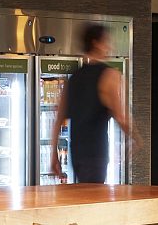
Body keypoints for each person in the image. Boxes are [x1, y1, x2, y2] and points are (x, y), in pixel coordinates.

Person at [50, 22, 136, 183]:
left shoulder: (74, 77)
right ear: (96, 43)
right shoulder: (109, 76)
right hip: (96, 153)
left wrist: (53, 156)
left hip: (77, 154)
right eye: (107, 41)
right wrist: (136, 137)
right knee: (95, 199)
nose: (110, 47)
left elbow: (58, 119)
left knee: (84, 197)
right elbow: (120, 116)